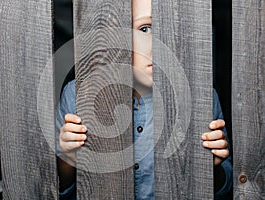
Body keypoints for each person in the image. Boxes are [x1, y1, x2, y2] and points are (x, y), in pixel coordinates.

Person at [56, 0, 233, 199]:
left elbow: (224, 187)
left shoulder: (203, 97)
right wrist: (68, 157)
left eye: (169, 26)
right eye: (145, 28)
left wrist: (213, 167)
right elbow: (60, 188)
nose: (159, 43)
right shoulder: (78, 94)